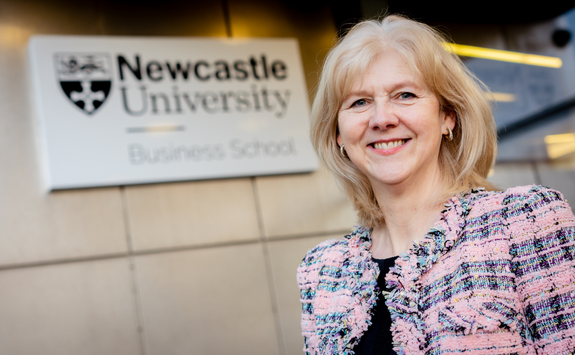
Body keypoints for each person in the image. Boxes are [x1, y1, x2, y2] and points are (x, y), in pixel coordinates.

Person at [297, 15, 575, 355]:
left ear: (447, 116)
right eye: (359, 102)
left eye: (405, 95)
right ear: (338, 132)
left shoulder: (525, 222)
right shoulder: (322, 272)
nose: (382, 118)